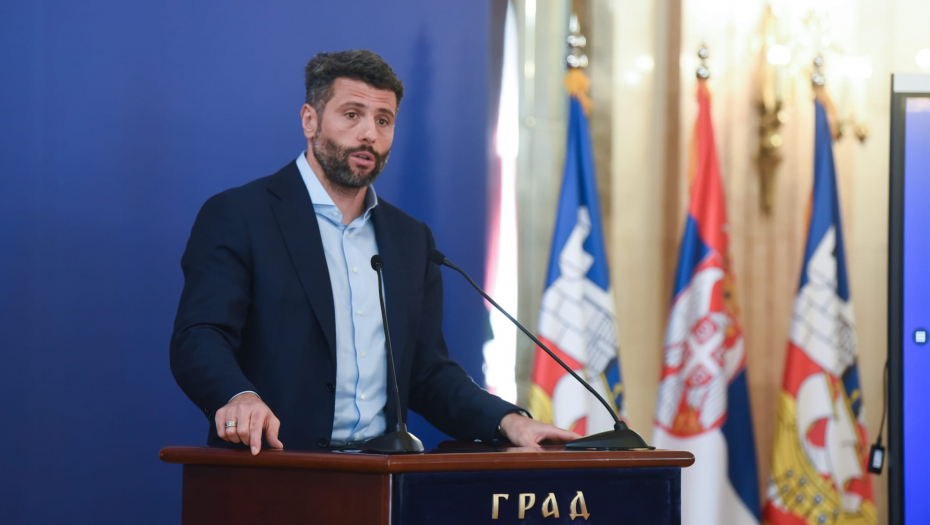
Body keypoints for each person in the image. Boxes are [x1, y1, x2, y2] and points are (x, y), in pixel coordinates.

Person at [170, 49, 580, 455]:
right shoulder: (241, 216)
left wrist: (508, 420)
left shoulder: (410, 239)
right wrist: (238, 396)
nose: (369, 133)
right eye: (352, 115)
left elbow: (427, 373)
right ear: (310, 120)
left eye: (383, 120)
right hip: (273, 466)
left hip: (379, 474)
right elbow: (200, 335)